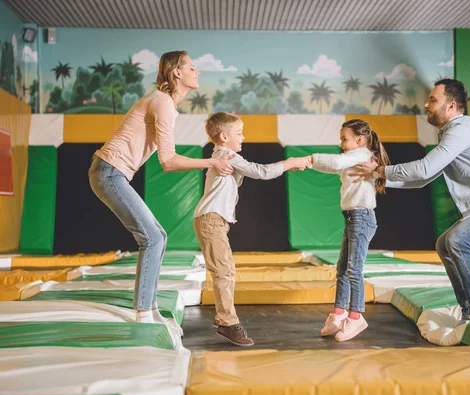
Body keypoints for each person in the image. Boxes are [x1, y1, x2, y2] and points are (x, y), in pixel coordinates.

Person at [351, 79, 470, 322]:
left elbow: (423, 168)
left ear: (450, 106)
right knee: (445, 245)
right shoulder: (452, 133)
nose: (426, 104)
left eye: (432, 100)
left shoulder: (461, 130)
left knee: (458, 242)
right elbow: (423, 178)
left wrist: (381, 170)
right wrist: (379, 179)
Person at [89, 51, 234, 325]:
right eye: (192, 67)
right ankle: (144, 312)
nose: (197, 72)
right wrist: (211, 162)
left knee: (159, 236)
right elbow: (168, 161)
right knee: (152, 238)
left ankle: (150, 308)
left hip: (111, 172)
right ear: (176, 72)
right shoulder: (162, 102)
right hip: (109, 172)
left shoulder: (165, 103)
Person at [194, 111, 311, 346]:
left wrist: (287, 167)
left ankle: (224, 320)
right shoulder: (226, 154)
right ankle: (227, 322)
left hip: (214, 220)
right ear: (224, 136)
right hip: (210, 220)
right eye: (239, 133)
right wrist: (290, 162)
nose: (243, 137)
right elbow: (261, 172)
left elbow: (256, 171)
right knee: (224, 272)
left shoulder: (224, 153)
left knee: (225, 271)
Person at [310, 119, 390, 341]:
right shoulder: (353, 158)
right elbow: (332, 166)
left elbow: (335, 162)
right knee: (342, 269)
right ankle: (338, 313)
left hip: (362, 217)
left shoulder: (362, 154)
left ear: (360, 140)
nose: (342, 143)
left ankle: (356, 317)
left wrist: (310, 158)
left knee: (354, 269)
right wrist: (310, 164)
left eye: (345, 139)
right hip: (353, 216)